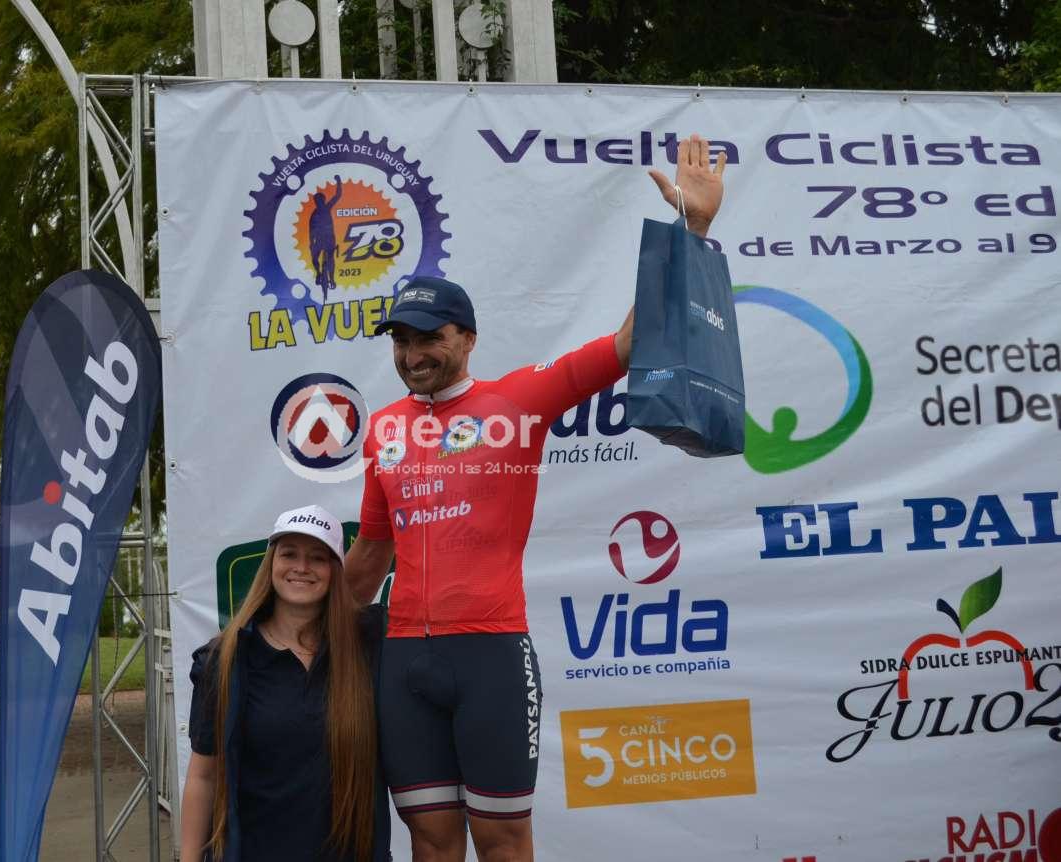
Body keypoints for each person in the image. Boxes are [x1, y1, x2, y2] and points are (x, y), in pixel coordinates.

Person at [342, 135, 727, 861]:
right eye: (399, 340)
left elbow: (630, 343)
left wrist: (692, 232)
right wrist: (298, 631)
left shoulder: (516, 400)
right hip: (404, 660)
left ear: (467, 338)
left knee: (502, 839)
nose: (412, 354)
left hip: (489, 651)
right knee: (430, 841)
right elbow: (369, 553)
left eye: (428, 337)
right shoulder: (385, 428)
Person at [180, 505, 390, 862]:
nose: (301, 567)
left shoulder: (366, 648)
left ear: (335, 570)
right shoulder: (225, 659)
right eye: (289, 554)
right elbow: (204, 777)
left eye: (317, 558)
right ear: (271, 564)